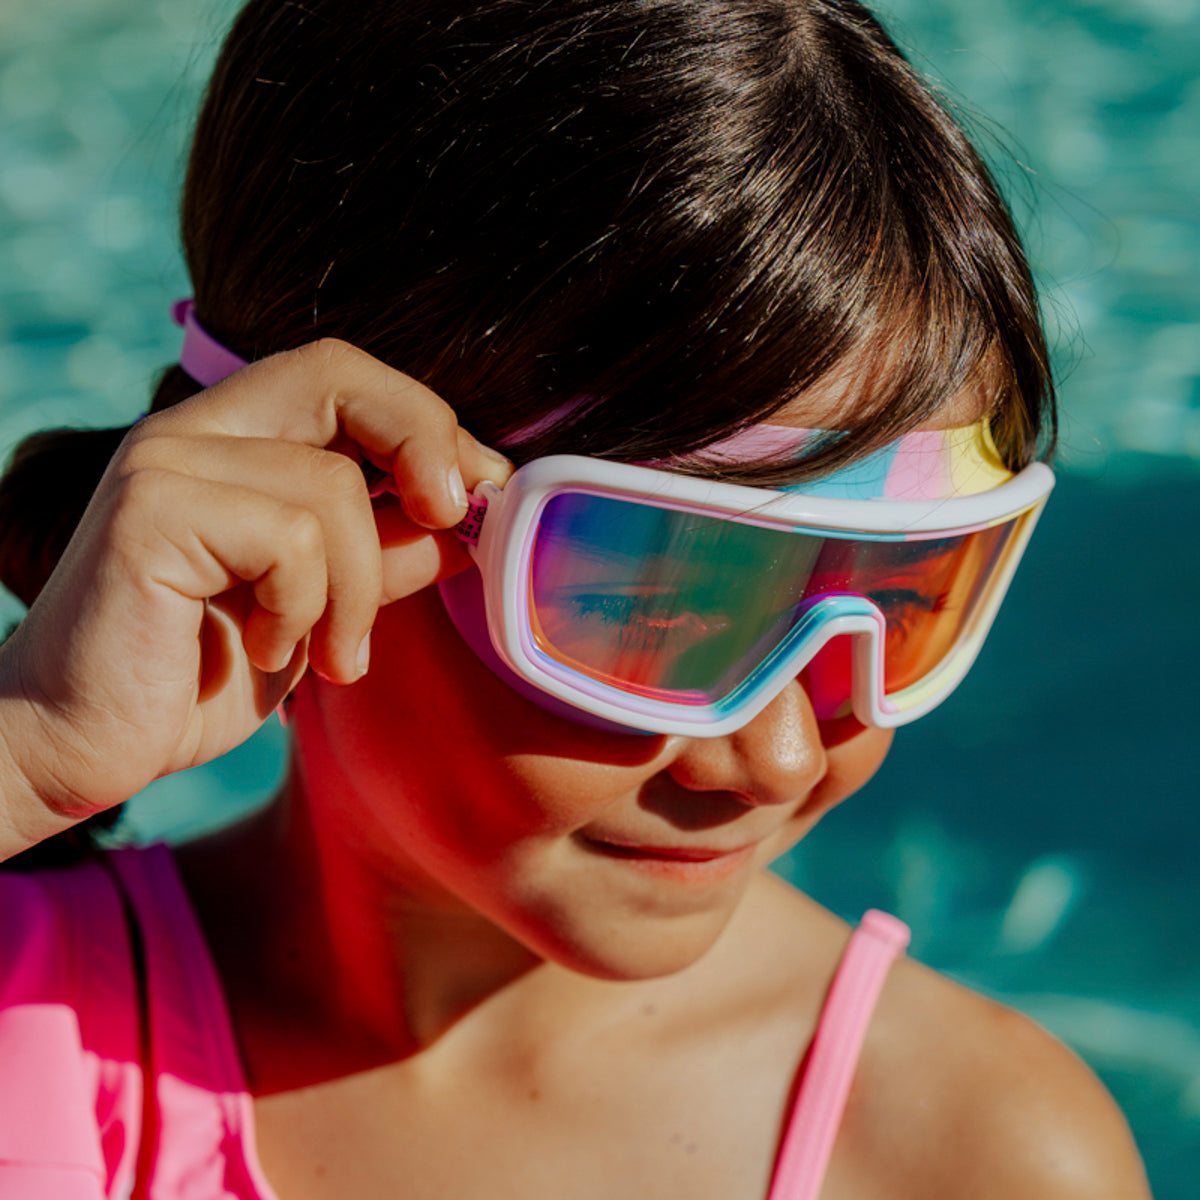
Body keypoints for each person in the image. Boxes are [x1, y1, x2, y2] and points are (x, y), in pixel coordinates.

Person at [0, 1, 1151, 1197]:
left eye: (906, 589)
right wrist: (28, 753)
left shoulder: (976, 1155)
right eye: (655, 598)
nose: (776, 754)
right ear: (313, 492)